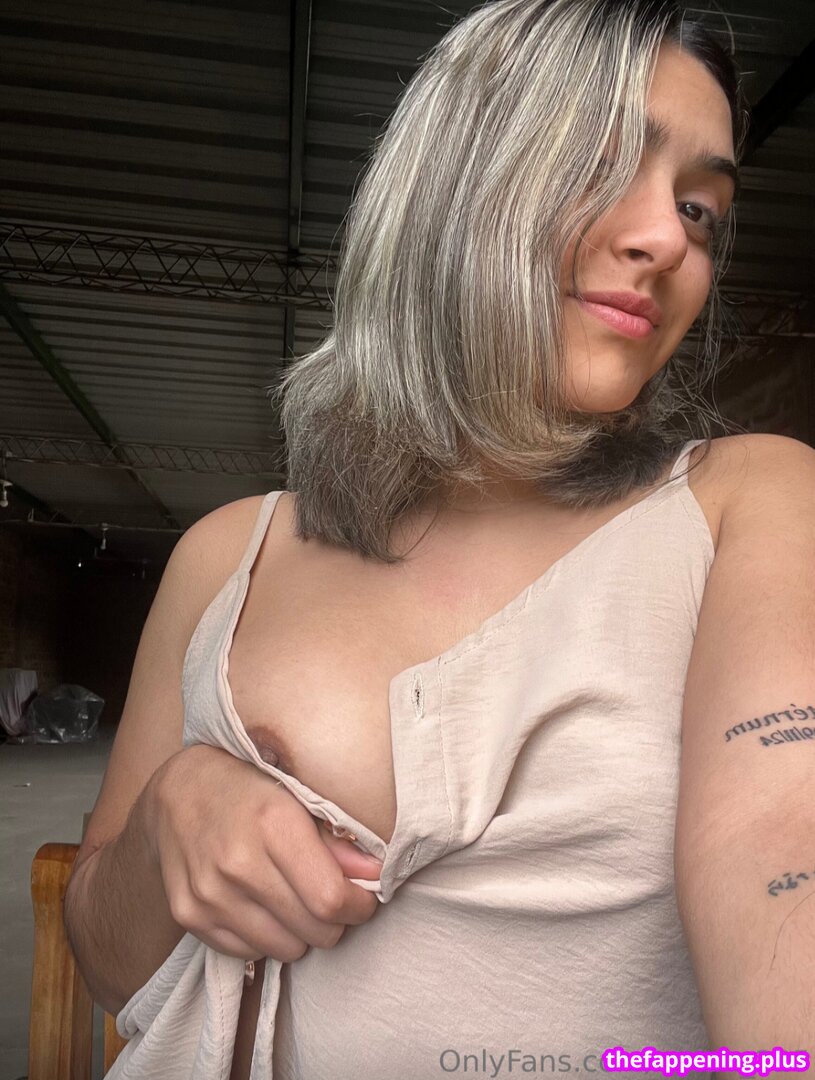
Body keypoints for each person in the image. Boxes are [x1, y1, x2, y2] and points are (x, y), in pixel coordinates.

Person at [63, 1, 815, 1077]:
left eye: (698, 209)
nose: (663, 239)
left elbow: (781, 845)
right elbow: (106, 964)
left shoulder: (747, 503)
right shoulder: (228, 553)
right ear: (454, 180)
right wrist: (162, 824)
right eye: (601, 163)